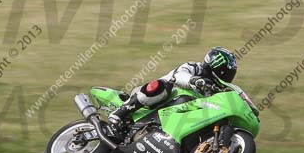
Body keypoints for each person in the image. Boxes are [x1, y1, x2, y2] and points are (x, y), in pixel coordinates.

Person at [108, 46, 257, 128]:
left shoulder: (215, 90)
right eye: (227, 71)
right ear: (216, 65)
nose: (228, 76)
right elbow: (179, 76)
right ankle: (120, 112)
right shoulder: (194, 67)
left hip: (177, 116)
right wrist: (194, 80)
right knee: (161, 86)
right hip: (156, 101)